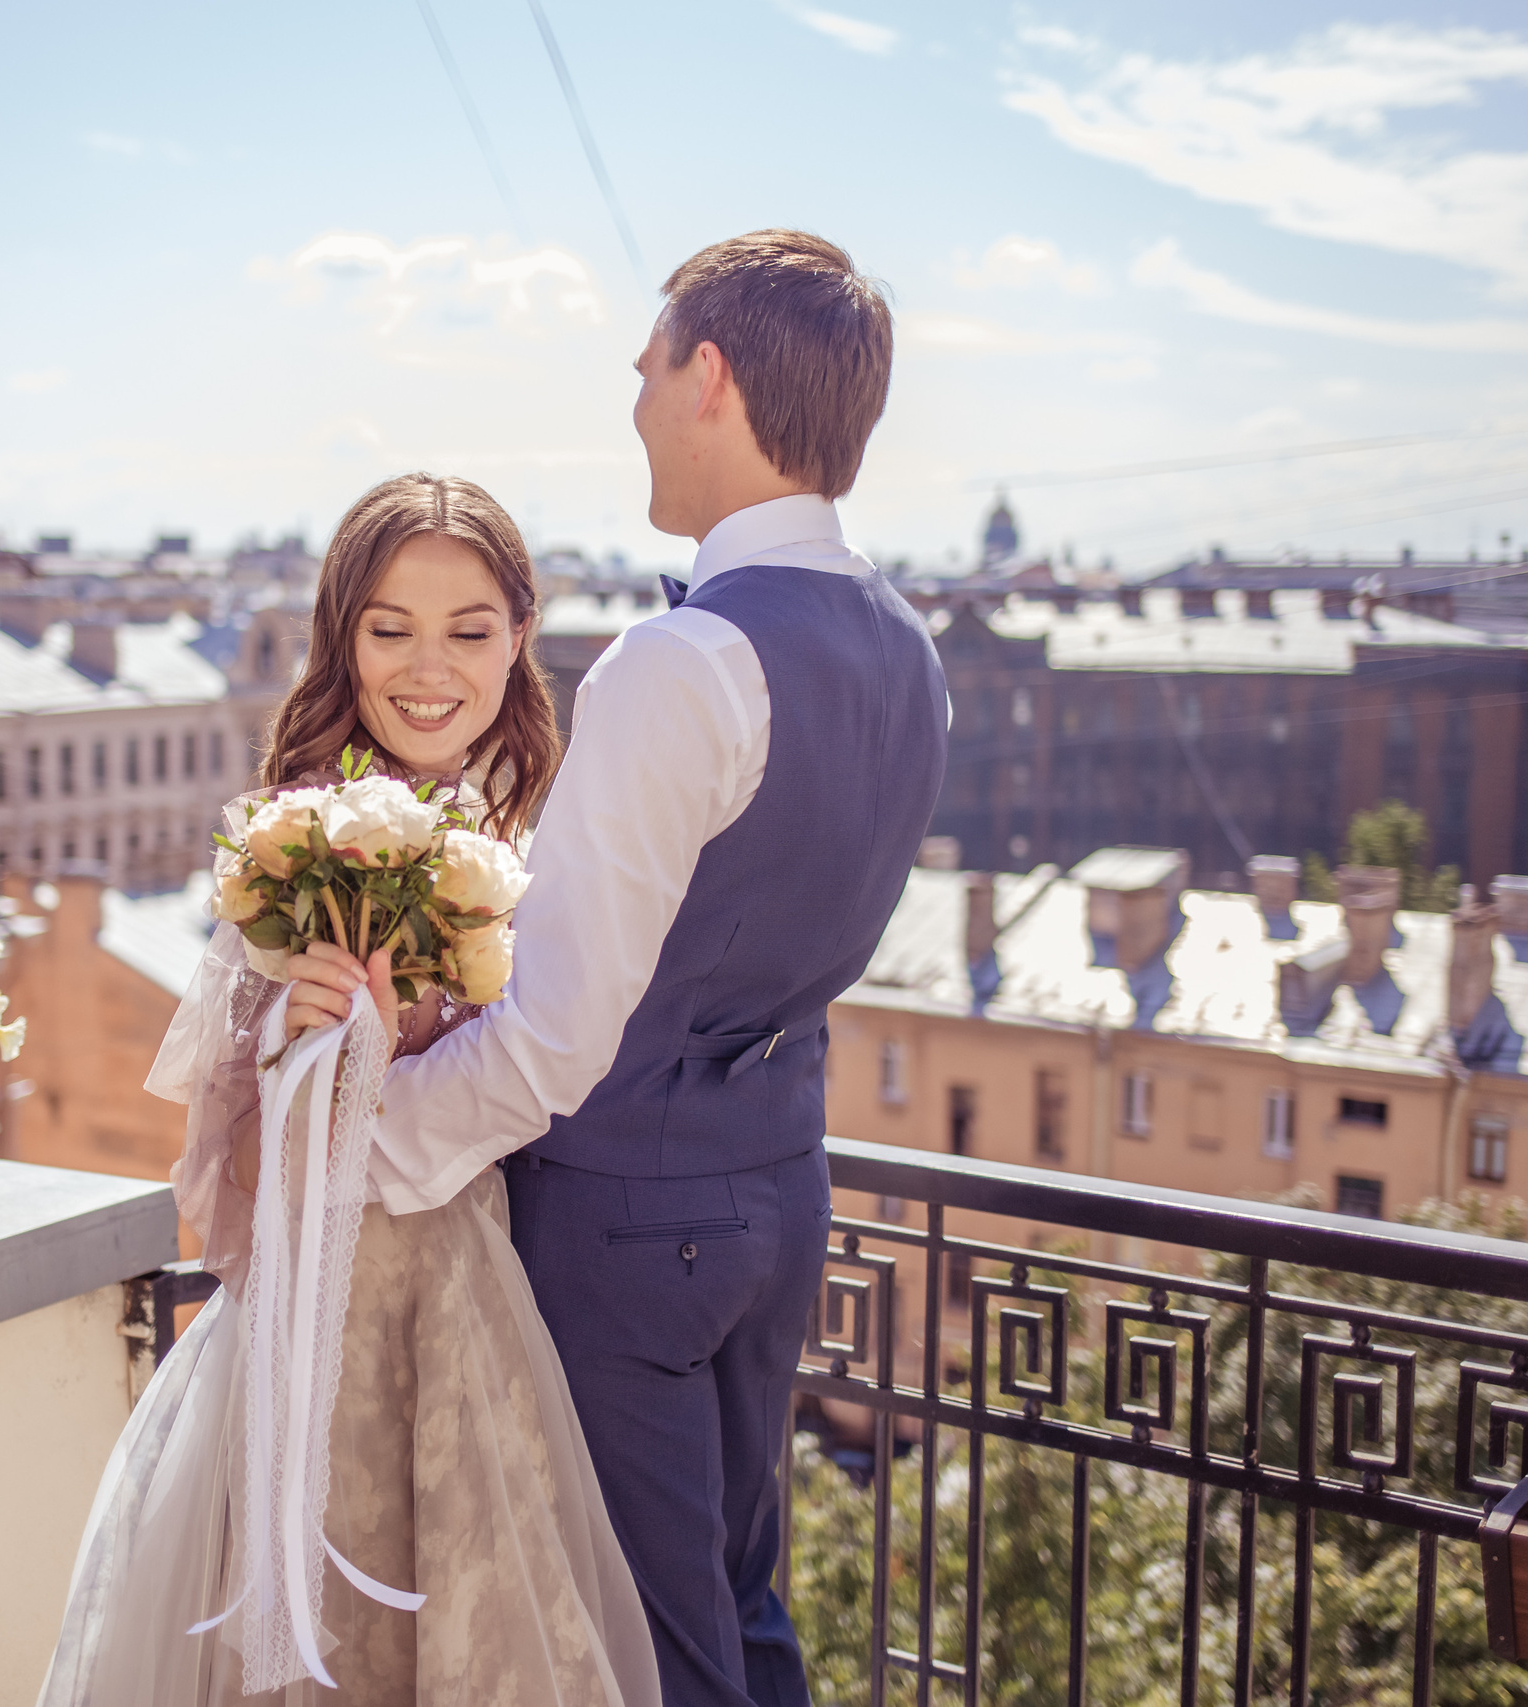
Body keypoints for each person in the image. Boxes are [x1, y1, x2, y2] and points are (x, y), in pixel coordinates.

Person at [288, 229, 947, 1706]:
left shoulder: (686, 660)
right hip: (782, 1188)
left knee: (640, 1641)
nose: (635, 397)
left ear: (708, 376)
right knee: (741, 1600)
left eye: (648, 365)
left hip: (632, 1227)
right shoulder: (911, 647)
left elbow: (557, 1034)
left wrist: (372, 1142)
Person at [38, 473, 661, 1707]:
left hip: (472, 1318)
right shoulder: (295, 856)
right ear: (342, 639)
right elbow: (238, 1188)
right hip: (314, 1343)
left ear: (520, 638)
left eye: (469, 631)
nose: (428, 668)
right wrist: (315, 1057)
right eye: (389, 629)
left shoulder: (537, 837)